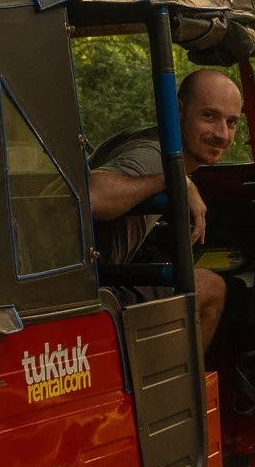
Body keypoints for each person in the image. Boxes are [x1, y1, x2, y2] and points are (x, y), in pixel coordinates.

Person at [91, 68, 244, 346]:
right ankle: (183, 389)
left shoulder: (144, 140)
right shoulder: (155, 156)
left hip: (96, 280)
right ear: (178, 110)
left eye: (231, 122)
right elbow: (92, 196)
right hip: (93, 295)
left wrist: (182, 181)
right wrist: (174, 181)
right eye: (209, 116)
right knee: (211, 288)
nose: (222, 134)